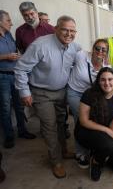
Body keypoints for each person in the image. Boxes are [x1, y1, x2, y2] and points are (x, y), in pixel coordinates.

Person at [14, 15, 81, 178]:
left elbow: (85, 62)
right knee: (49, 127)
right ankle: (56, 161)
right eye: (65, 29)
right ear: (56, 29)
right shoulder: (40, 45)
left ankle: (63, 150)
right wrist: (24, 92)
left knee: (61, 123)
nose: (69, 34)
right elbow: (21, 68)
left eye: (72, 31)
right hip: (41, 93)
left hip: (62, 91)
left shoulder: (74, 47)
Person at [74, 67, 113, 181]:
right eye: (103, 80)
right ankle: (96, 162)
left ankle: (99, 152)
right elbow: (84, 121)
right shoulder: (89, 94)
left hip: (104, 134)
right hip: (85, 131)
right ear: (98, 81)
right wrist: (106, 131)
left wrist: (110, 134)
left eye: (110, 79)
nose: (107, 83)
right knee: (107, 144)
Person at [67, 38, 110, 168]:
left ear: (107, 52)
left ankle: (92, 146)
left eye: (104, 50)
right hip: (75, 92)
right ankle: (81, 153)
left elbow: (112, 83)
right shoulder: (81, 55)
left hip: (92, 97)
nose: (100, 51)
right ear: (93, 49)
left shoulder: (107, 67)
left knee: (92, 122)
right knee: (81, 121)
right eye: (97, 48)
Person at [0, 10, 36, 149]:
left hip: (14, 74)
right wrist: (6, 57)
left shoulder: (9, 34)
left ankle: (22, 130)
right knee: (5, 107)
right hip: (2, 76)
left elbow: (16, 51)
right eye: (8, 20)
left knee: (19, 105)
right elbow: (8, 55)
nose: (11, 23)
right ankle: (9, 136)